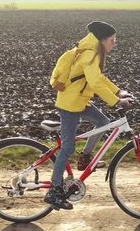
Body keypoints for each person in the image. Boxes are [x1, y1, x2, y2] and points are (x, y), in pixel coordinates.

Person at [46, 21, 133, 210]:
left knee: (103, 122)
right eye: (112, 40)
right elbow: (95, 82)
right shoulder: (89, 54)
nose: (114, 43)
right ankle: (54, 190)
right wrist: (116, 102)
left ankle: (85, 157)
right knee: (67, 148)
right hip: (70, 105)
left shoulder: (92, 53)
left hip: (79, 101)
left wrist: (118, 92)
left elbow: (100, 78)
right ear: (102, 40)